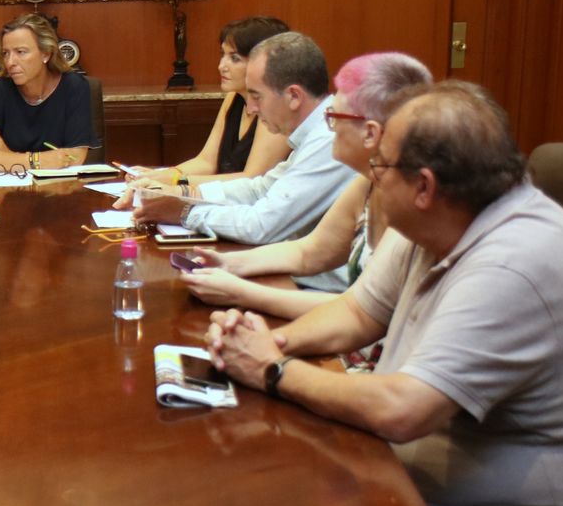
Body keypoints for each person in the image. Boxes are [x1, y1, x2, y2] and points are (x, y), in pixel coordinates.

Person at [206, 82, 563, 506]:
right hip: (442, 484)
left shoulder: (515, 263)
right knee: (273, 501)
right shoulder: (440, 217)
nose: (371, 177)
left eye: (381, 166)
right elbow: (355, 312)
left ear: (424, 186)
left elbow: (402, 411)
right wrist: (266, 345)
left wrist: (270, 370)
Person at [182, 52, 433, 325]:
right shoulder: (368, 181)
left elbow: (360, 311)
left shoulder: (413, 202)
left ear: (371, 133)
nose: (329, 124)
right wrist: (229, 265)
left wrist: (244, 294)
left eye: (335, 114)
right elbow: (309, 251)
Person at [124, 31, 352, 260]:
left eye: (257, 96)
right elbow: (260, 189)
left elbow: (262, 225)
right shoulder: (315, 134)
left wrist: (186, 211)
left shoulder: (330, 139)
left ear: (293, 96)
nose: (251, 109)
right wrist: (184, 193)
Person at [130, 16, 291, 186]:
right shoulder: (233, 97)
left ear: (263, 62)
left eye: (234, 58)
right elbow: (206, 161)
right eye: (223, 55)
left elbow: (251, 179)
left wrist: (176, 181)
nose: (222, 66)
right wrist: (162, 174)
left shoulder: (278, 109)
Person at [0, 13, 98, 172]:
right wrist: (38, 160)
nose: (10, 62)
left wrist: (7, 155)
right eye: (6, 53)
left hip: (60, 191)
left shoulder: (74, 87)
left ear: (46, 53)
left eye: (21, 52)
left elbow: (75, 158)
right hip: (8, 193)